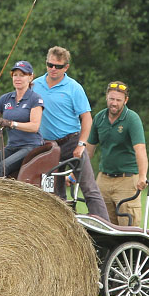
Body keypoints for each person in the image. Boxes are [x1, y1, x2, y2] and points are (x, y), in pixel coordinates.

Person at [32, 46, 110, 220]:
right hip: (48, 146)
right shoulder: (35, 85)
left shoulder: (74, 88)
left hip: (71, 142)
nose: (53, 69)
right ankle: (61, 226)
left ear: (66, 67)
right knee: (52, 191)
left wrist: (82, 144)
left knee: (88, 186)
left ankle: (105, 223)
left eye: (58, 66)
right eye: (49, 64)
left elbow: (87, 118)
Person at [87, 80, 148, 226]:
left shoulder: (132, 119)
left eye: (118, 100)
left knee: (127, 225)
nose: (114, 103)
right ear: (106, 98)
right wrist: (75, 173)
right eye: (111, 99)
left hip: (126, 179)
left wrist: (142, 176)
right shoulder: (99, 118)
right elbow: (89, 150)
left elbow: (140, 149)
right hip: (104, 178)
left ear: (125, 101)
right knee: (102, 224)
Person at [0, 60, 45, 179]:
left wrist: (12, 124)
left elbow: (34, 127)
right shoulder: (5, 99)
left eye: (22, 75)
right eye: (15, 75)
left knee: (3, 166)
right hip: (12, 146)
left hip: (31, 146)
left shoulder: (35, 99)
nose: (18, 78)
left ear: (30, 78)